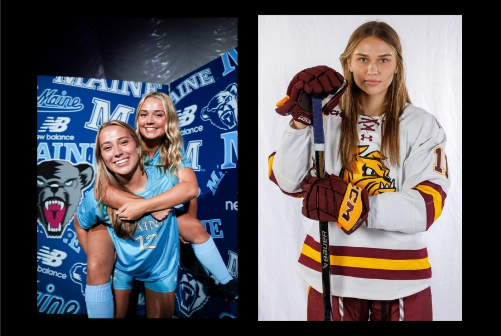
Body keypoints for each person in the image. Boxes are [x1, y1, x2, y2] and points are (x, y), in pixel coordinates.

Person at [269, 20, 450, 321]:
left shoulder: (421, 123)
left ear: (397, 65)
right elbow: (289, 182)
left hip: (402, 280)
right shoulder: (325, 117)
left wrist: (353, 205)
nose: (373, 70)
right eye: (363, 59)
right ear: (348, 63)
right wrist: (302, 120)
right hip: (331, 275)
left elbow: (428, 205)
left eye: (383, 59)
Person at [83, 92, 237, 318]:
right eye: (144, 114)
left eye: (158, 114)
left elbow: (190, 190)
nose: (150, 120)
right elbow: (102, 190)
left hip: (156, 220)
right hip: (120, 218)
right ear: (137, 119)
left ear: (170, 120)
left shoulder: (173, 152)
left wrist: (152, 208)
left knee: (194, 228)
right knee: (117, 294)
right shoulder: (125, 144)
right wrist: (146, 207)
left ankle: (227, 283)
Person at [74, 120, 198, 318]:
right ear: (102, 158)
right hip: (124, 265)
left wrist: (185, 223)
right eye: (107, 147)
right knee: (118, 306)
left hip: (159, 268)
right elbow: (79, 224)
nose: (117, 151)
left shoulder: (163, 179)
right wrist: (98, 258)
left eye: (123, 142)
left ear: (138, 146)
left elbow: (190, 191)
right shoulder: (98, 196)